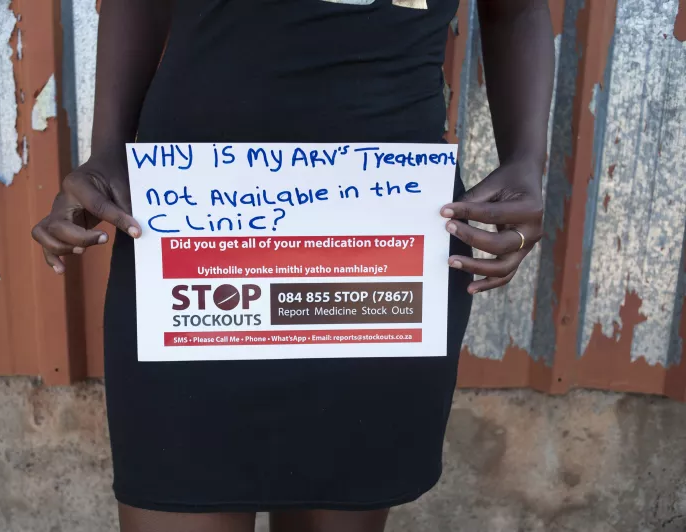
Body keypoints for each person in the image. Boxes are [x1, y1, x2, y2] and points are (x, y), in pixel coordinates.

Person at [31, 0, 553, 529]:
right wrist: (108, 150)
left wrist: (527, 160)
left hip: (380, 249)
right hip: (191, 234)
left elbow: (516, 9)